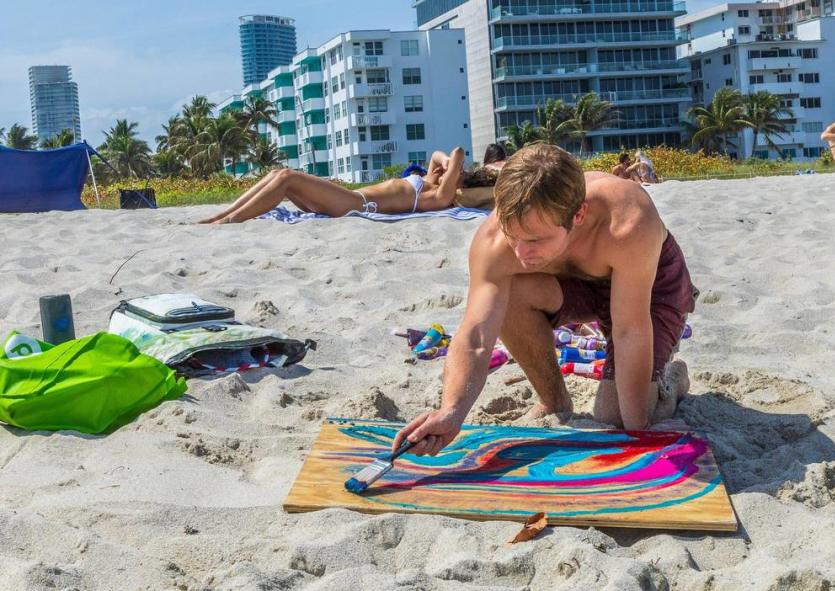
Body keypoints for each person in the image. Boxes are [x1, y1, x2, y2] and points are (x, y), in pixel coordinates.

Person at [392, 144, 698, 457]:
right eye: (514, 236)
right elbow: (475, 334)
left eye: (535, 240)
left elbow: (630, 330)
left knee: (617, 418)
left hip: (648, 287)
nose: (522, 253)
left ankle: (669, 381)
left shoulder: (627, 219)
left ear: (578, 215)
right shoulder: (496, 241)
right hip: (572, 283)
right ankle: (554, 401)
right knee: (508, 292)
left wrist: (637, 434)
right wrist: (452, 412)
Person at [199, 147, 493, 224]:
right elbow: (438, 156)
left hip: (353, 204)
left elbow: (454, 153)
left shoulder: (438, 197)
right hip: (347, 198)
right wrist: (443, 167)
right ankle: (225, 214)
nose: (443, 170)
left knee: (288, 177)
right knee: (280, 173)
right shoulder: (429, 180)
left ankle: (230, 220)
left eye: (455, 174)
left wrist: (457, 170)